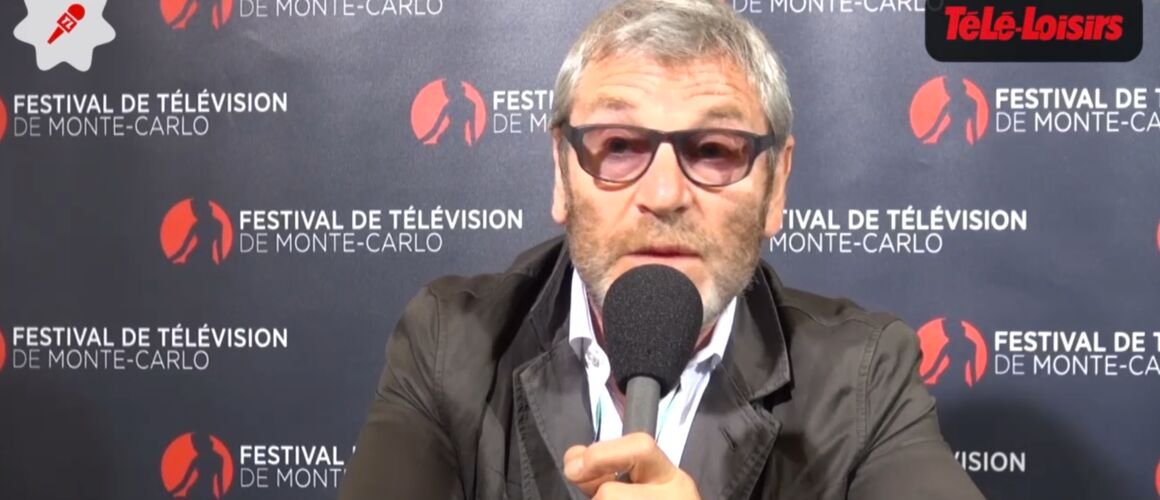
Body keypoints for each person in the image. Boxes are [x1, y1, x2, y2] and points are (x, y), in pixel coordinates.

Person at [338, 1, 986, 498]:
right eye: (620, 146)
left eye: (713, 150)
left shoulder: (864, 379)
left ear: (776, 184)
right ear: (562, 172)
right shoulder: (450, 342)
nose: (665, 194)